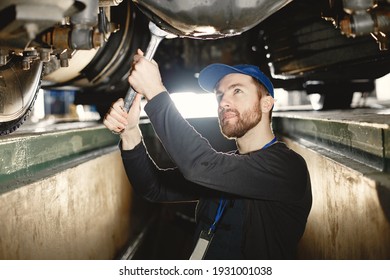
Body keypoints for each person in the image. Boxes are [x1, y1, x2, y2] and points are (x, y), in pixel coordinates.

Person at [103, 49, 312, 259]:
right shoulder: (225, 166)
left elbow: (200, 165)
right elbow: (153, 187)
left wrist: (155, 91)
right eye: (220, 95)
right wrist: (130, 131)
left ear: (266, 103)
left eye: (236, 91)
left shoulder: (287, 167)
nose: (223, 102)